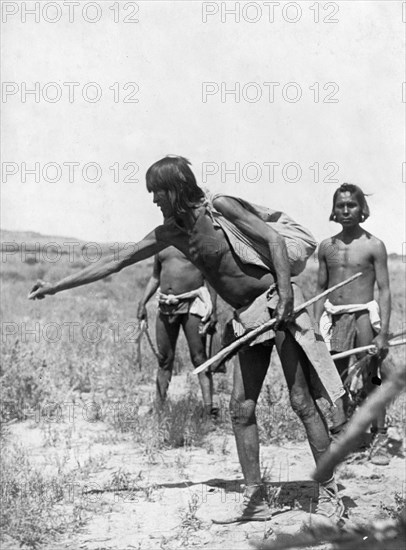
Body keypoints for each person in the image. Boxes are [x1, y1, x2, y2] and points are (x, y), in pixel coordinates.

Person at [29, 156, 346, 526]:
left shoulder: (221, 208)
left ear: (176, 187)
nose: (154, 201)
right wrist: (54, 287)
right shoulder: (169, 234)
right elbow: (116, 261)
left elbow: (274, 239)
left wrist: (287, 298)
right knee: (241, 409)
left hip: (277, 303)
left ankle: (328, 495)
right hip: (245, 318)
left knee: (301, 401)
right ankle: (255, 501)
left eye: (157, 193)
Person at [314, 183, 391, 465]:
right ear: (334, 210)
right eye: (340, 205)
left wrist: (381, 332)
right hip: (334, 319)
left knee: (372, 377)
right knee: (335, 379)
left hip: (362, 317)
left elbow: (384, 290)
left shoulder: (374, 245)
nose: (345, 210)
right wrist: (314, 328)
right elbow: (319, 290)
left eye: (351, 205)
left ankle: (380, 436)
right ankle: (342, 435)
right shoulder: (327, 247)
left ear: (362, 210)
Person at [136, 245, 218, 417]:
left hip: (193, 306)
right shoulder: (162, 244)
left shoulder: (195, 243)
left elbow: (210, 279)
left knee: (199, 357)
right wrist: (142, 303)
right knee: (164, 359)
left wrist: (213, 310)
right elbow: (155, 277)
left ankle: (209, 409)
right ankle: (159, 407)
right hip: (166, 306)